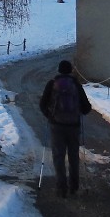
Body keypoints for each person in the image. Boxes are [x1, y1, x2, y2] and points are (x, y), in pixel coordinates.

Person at [39, 60, 92, 196]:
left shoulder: (52, 84)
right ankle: (74, 186)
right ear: (71, 70)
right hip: (73, 126)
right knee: (74, 156)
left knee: (58, 156)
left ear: (59, 70)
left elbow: (42, 104)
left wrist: (49, 115)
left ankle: (61, 188)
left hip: (56, 125)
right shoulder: (76, 85)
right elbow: (87, 108)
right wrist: (78, 111)